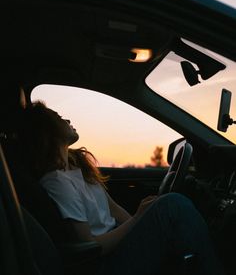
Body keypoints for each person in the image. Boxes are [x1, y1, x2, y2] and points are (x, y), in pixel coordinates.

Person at [18, 100, 224, 275]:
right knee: (174, 206)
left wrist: (144, 220)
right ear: (47, 131)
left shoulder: (77, 168)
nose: (68, 120)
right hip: (104, 264)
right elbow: (91, 246)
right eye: (58, 117)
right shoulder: (57, 183)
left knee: (166, 210)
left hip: (117, 245)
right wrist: (138, 219)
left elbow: (114, 209)